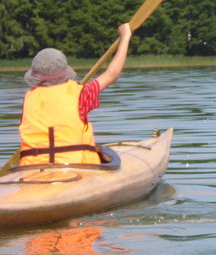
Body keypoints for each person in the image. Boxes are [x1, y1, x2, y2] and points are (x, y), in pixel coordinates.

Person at [18, 23, 132, 166]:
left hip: (32, 168)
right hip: (77, 168)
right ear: (65, 74)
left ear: (35, 77)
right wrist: (125, 37)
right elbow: (112, 74)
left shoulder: (29, 98)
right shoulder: (82, 95)